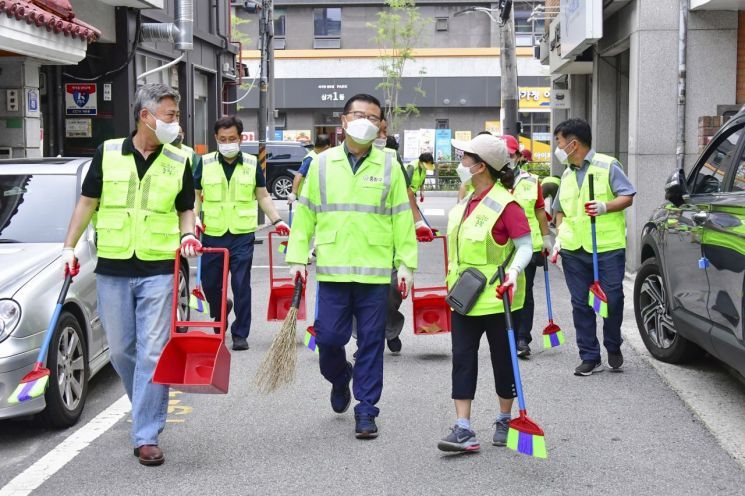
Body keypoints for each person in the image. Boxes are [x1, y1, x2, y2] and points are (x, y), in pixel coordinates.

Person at [61, 83, 199, 466]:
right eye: (170, 115)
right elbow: (87, 203)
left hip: (158, 267)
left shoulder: (178, 160)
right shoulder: (107, 154)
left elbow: (185, 208)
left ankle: (146, 434)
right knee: (122, 350)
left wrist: (187, 233)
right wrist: (68, 247)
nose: (176, 122)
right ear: (146, 116)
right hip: (114, 267)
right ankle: (145, 407)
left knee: (153, 352)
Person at [286, 94, 417, 439]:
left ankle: (366, 409)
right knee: (328, 339)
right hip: (333, 269)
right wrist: (297, 257)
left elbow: (402, 218)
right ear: (343, 122)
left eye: (373, 118)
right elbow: (305, 214)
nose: (366, 122)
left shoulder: (390, 165)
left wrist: (406, 264)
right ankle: (340, 377)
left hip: (375, 271)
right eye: (359, 115)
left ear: (379, 128)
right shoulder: (321, 163)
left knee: (372, 342)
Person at [437, 133, 533, 453]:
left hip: (496, 296)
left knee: (503, 361)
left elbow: (524, 247)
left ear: (480, 166)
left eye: (464, 158)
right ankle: (463, 427)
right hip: (464, 297)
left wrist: (515, 272)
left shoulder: (507, 204)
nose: (459, 162)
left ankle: (505, 418)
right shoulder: (465, 201)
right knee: (462, 360)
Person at [194, 116, 290, 351]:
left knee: (240, 284)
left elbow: (263, 195)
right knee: (210, 285)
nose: (228, 142)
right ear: (216, 139)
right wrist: (196, 218)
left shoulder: (251, 163)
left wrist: (276, 220)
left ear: (240, 138)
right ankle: (220, 311)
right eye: (223, 139)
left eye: (233, 138)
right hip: (213, 234)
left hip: (241, 235)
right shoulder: (204, 163)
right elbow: (195, 194)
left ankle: (240, 333)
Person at [550, 118, 636, 376]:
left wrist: (604, 206)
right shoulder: (566, 174)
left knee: (613, 299)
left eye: (559, 142)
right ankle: (589, 355)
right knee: (580, 304)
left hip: (607, 248)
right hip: (574, 250)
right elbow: (560, 211)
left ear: (573, 144)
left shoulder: (607, 165)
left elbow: (627, 195)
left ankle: (613, 344)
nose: (557, 148)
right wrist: (559, 239)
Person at [502, 137, 553, 358]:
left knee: (525, 292)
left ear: (519, 156)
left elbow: (540, 211)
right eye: (504, 155)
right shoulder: (491, 181)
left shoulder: (532, 181)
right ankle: (507, 334)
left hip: (528, 245)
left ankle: (523, 338)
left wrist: (546, 238)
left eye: (511, 155)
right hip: (500, 246)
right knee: (504, 291)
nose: (508, 159)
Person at [288, 134, 331, 205]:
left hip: (316, 195)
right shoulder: (310, 158)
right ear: (327, 147)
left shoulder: (321, 156)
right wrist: (293, 193)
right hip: (307, 196)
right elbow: (299, 174)